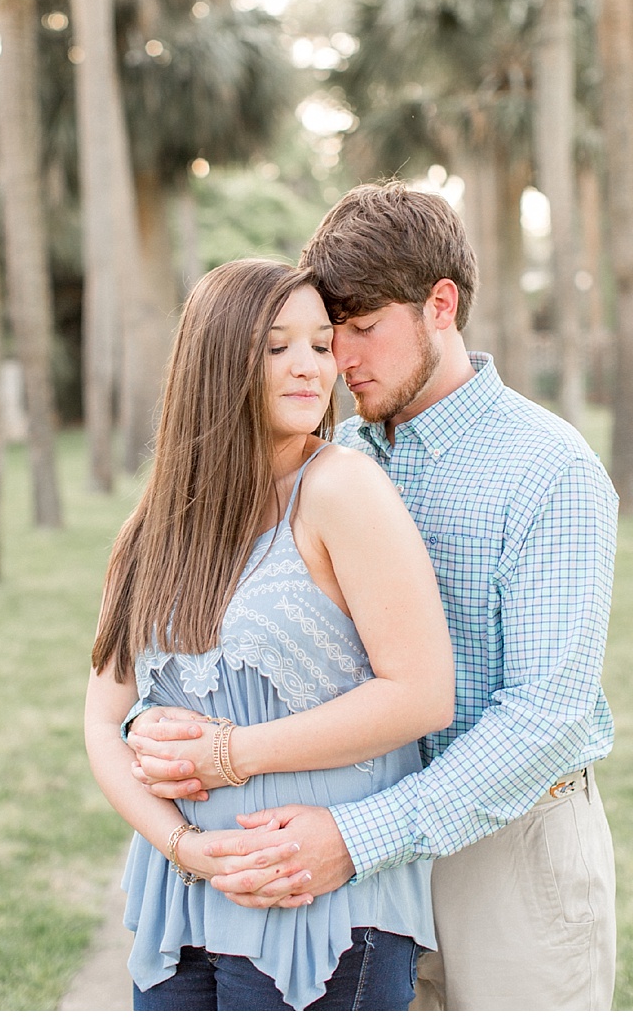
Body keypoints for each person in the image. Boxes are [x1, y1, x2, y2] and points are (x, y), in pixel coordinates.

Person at [127, 182, 618, 1010]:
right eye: (330, 333)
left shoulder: (549, 470)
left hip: (502, 848)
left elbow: (547, 715)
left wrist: (359, 838)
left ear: (441, 305)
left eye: (361, 330)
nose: (340, 360)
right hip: (347, 851)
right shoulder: (331, 457)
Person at [86, 257, 455, 1010]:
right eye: (277, 345)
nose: (310, 368)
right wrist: (185, 847)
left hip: (319, 910)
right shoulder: (154, 526)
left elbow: (422, 695)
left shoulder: (342, 489)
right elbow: (99, 717)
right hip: (183, 900)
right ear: (217, 363)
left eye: (321, 346)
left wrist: (228, 755)